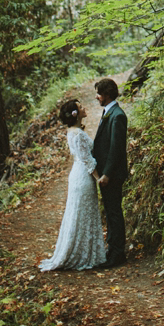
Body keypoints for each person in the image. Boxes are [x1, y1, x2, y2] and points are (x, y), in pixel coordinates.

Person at [39, 99, 106, 272]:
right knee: (82, 214)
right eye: (81, 107)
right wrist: (99, 178)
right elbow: (87, 159)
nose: (84, 108)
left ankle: (88, 252)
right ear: (75, 114)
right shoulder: (76, 134)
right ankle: (80, 254)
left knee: (82, 213)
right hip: (83, 177)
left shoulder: (74, 131)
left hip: (79, 175)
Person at [93, 77, 128, 268]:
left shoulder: (118, 115)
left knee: (114, 212)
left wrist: (106, 174)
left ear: (107, 95)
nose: (96, 97)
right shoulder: (109, 112)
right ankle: (112, 249)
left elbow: (116, 149)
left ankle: (117, 253)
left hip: (113, 175)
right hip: (108, 173)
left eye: (99, 93)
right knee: (110, 211)